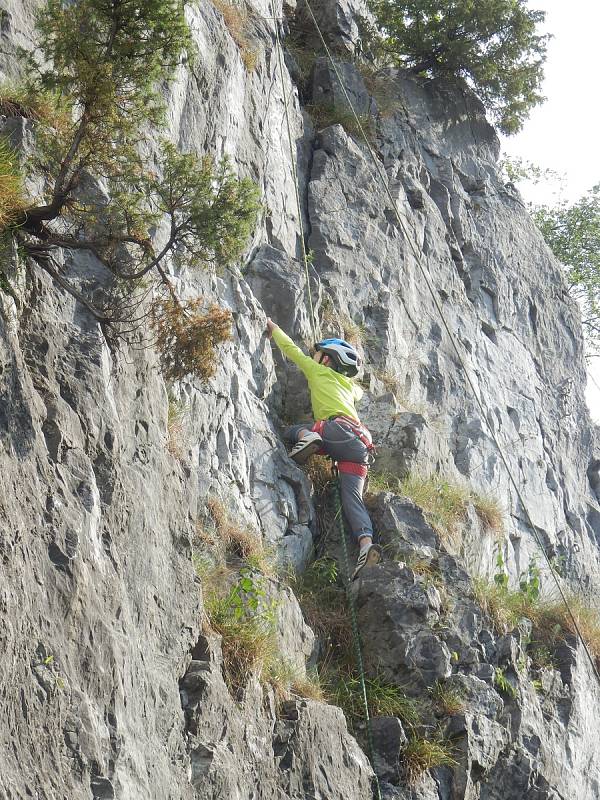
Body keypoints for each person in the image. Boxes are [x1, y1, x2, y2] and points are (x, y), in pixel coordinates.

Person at [266, 318, 381, 579]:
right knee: (353, 498)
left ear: (327, 359)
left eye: (317, 354)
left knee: (290, 430)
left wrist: (273, 328)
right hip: (361, 444)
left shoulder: (318, 371)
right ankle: (365, 544)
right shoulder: (351, 389)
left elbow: (291, 350)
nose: (313, 357)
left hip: (334, 431)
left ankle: (309, 436)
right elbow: (360, 392)